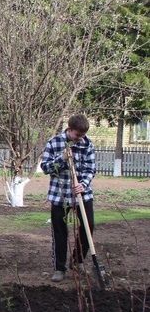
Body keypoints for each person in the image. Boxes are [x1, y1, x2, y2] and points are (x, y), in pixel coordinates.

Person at [40, 114, 96, 282]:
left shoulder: (87, 144)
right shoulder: (54, 142)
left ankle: (77, 260)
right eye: (78, 135)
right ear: (69, 129)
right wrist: (62, 158)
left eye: (83, 135)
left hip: (82, 194)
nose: (80, 138)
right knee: (60, 232)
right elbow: (45, 168)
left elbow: (90, 169)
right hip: (60, 195)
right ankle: (59, 268)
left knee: (88, 227)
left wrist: (83, 184)